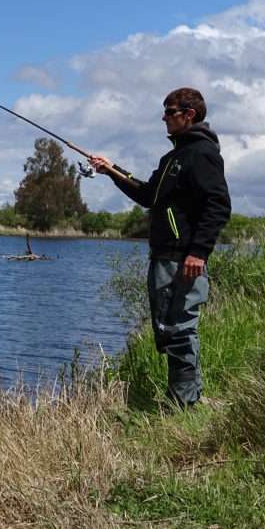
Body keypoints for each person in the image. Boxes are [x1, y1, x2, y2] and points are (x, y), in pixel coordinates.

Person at [88, 88, 231, 408]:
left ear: (188, 114)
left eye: (169, 111)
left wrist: (198, 252)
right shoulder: (173, 158)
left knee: (179, 329)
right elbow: (148, 195)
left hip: (183, 258)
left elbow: (218, 206)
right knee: (168, 331)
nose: (164, 117)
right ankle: (188, 398)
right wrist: (112, 170)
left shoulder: (201, 154)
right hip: (164, 256)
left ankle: (183, 404)